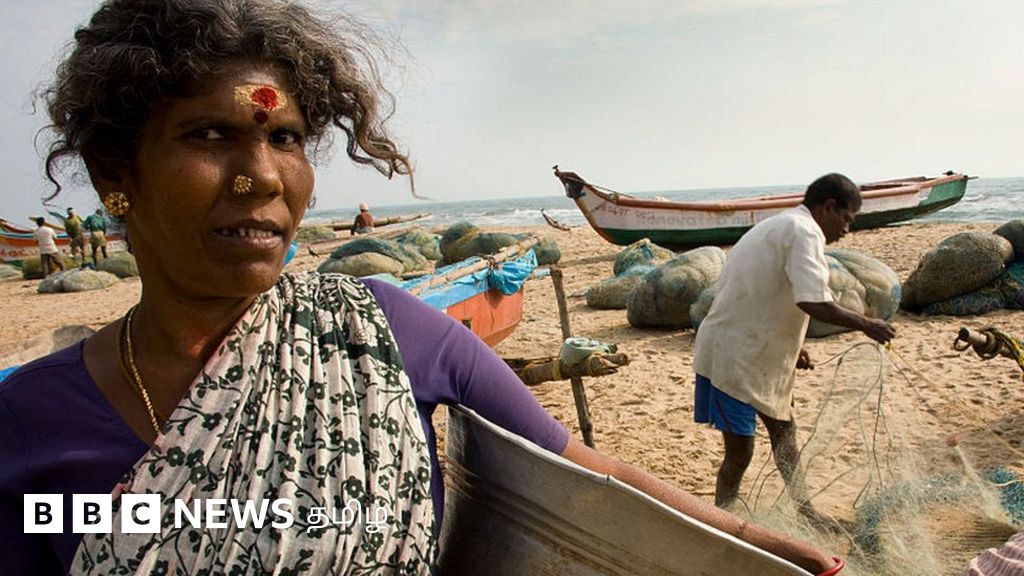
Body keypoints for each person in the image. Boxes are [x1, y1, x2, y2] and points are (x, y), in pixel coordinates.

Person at [0, 1, 841, 574]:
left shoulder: (392, 335)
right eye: (210, 134)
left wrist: (742, 541)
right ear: (118, 171)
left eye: (286, 138)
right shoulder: (28, 424)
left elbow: (582, 466)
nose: (261, 175)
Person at [693, 173, 897, 528]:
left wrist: (797, 344)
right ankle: (722, 520)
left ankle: (806, 512)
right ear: (828, 207)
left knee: (785, 433)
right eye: (847, 219)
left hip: (754, 352)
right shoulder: (804, 232)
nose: (847, 230)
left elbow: (768, 290)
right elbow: (812, 300)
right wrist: (867, 324)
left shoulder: (781, 225)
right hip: (736, 355)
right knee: (740, 452)